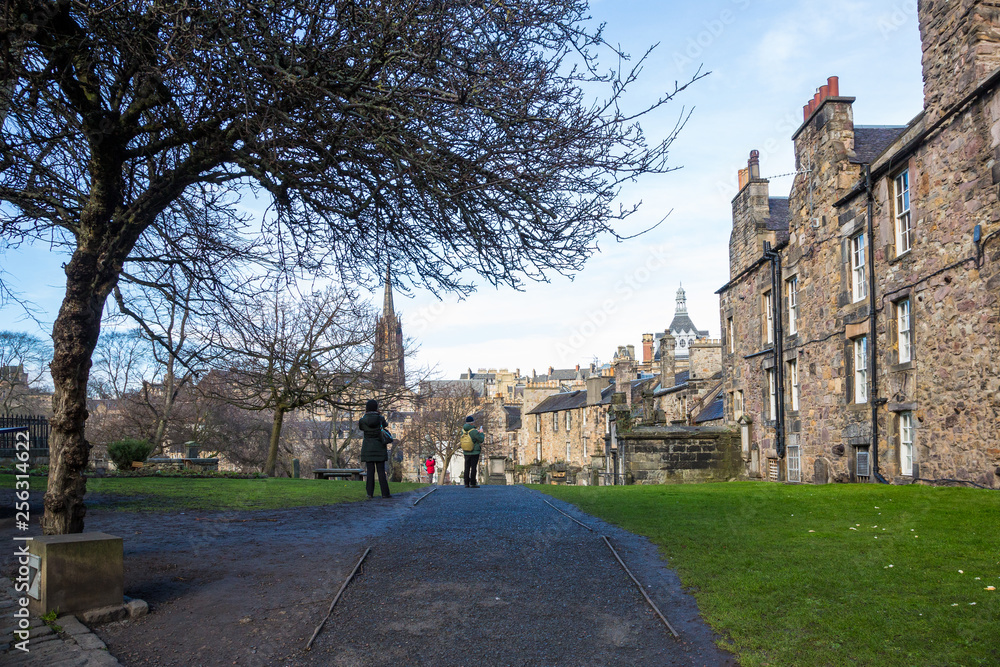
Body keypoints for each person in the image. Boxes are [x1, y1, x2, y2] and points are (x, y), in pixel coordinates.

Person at [358, 399, 391, 499]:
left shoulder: (363, 420)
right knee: (381, 471)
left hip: (368, 448)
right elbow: (385, 425)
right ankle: (385, 493)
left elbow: (361, 427)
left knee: (370, 472)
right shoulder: (380, 419)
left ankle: (369, 493)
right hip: (380, 447)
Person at [461, 416, 484, 488]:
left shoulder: (463, 431)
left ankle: (466, 483)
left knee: (467, 467)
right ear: (472, 423)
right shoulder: (473, 431)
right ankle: (473, 483)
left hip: (466, 451)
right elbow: (481, 440)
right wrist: (481, 433)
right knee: (473, 467)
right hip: (474, 452)